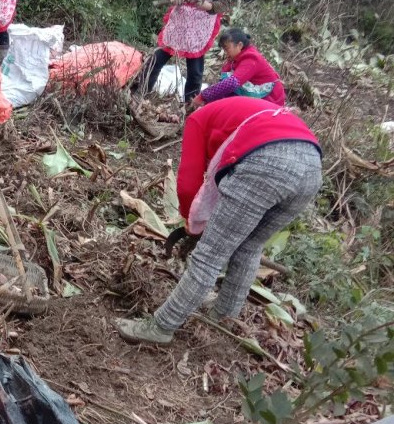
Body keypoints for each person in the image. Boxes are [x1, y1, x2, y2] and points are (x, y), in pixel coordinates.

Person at [116, 97, 322, 345]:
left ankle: (160, 326)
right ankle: (225, 315)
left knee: (209, 254)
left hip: (267, 163)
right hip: (311, 167)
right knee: (250, 246)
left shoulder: (197, 119)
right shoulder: (245, 110)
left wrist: (189, 222)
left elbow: (188, 182)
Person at [130, 0, 236, 104]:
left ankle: (190, 105)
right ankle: (140, 94)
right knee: (156, 59)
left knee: (195, 71)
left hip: (200, 27)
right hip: (179, 21)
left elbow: (228, 1)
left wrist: (208, 6)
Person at [190, 28, 284, 109]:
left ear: (239, 45)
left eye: (227, 49)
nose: (225, 52)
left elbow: (232, 83)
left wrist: (203, 96)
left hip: (269, 98)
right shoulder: (237, 57)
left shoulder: (251, 58)